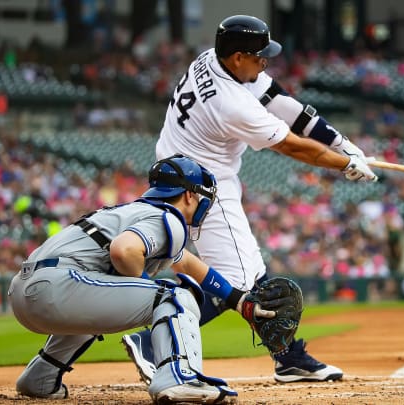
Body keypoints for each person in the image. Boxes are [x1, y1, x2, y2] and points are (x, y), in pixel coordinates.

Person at [123, 14, 377, 385]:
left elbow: (282, 102)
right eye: (260, 56)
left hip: (174, 172)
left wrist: (341, 143)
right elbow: (291, 145)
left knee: (252, 269)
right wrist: (345, 165)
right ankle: (151, 344)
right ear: (238, 57)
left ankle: (288, 356)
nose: (266, 62)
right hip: (205, 186)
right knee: (233, 279)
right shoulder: (231, 103)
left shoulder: (213, 58)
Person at [8, 155, 237, 404]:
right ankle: (178, 379)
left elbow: (188, 263)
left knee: (103, 300)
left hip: (25, 292)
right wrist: (145, 285)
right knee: (174, 296)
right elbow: (124, 250)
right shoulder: (170, 218)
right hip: (57, 286)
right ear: (189, 195)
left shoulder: (137, 212)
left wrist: (238, 298)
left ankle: (41, 377)